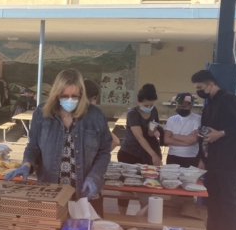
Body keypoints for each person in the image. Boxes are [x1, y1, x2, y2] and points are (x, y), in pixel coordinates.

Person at [5, 68, 112, 230]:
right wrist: (27, 164)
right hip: (51, 194)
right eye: (65, 95)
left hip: (86, 194)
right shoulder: (43, 114)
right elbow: (33, 146)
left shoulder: (94, 116)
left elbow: (104, 150)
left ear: (82, 95)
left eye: (75, 96)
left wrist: (95, 177)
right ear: (56, 94)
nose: (70, 100)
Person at [192, 69, 236, 230]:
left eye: (200, 87)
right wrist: (202, 157)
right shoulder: (209, 105)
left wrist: (221, 133)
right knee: (213, 198)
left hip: (230, 160)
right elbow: (205, 132)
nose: (199, 92)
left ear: (211, 84)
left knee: (229, 199)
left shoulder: (230, 100)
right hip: (212, 160)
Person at [116, 83, 162, 214]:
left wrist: (153, 130)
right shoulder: (132, 113)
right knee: (126, 188)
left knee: (146, 187)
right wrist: (154, 155)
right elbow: (139, 137)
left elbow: (155, 123)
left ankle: (142, 218)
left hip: (146, 154)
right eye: (146, 105)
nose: (149, 108)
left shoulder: (154, 110)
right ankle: (123, 218)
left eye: (151, 105)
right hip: (129, 153)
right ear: (138, 102)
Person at [83, 79, 121, 217]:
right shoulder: (95, 117)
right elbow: (115, 141)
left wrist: (97, 156)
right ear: (94, 98)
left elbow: (114, 141)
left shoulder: (94, 116)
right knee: (93, 222)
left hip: (87, 180)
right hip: (92, 177)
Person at [163, 93, 201, 168]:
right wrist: (187, 142)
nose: (180, 109)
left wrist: (175, 136)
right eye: (178, 106)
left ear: (191, 106)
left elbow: (194, 139)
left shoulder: (197, 119)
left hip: (191, 156)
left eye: (184, 107)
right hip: (173, 156)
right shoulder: (172, 119)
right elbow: (166, 140)